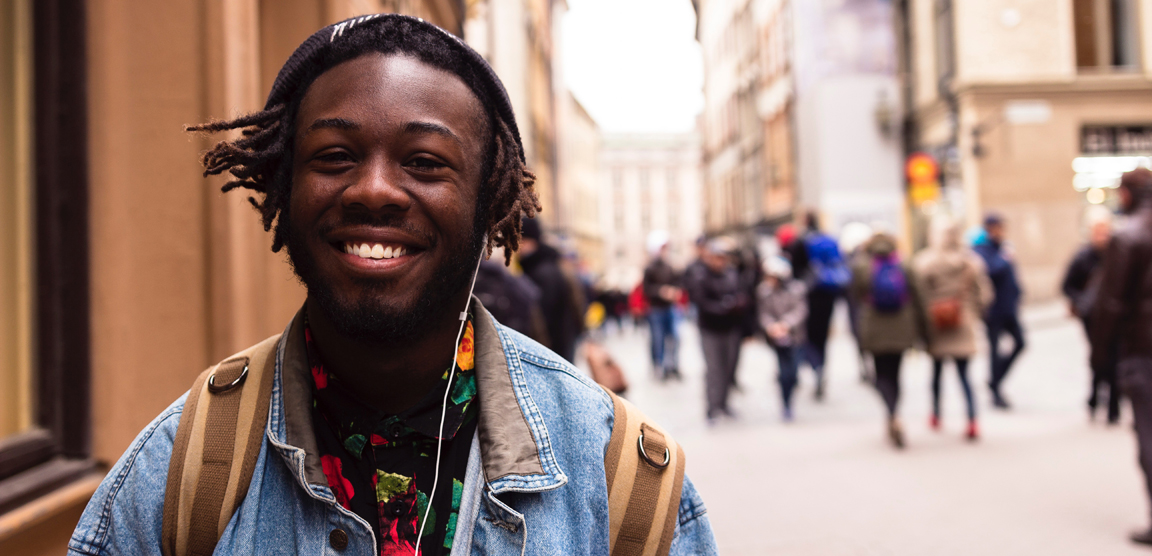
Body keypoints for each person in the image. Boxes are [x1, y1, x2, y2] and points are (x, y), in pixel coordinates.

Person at [68, 15, 716, 556]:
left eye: (424, 163)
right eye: (335, 157)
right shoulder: (178, 479)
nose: (374, 188)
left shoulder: (624, 486)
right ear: (283, 188)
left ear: (489, 202)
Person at [1091, 167, 1152, 546]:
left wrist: (1100, 357)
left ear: (1127, 194)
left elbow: (1110, 305)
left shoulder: (1128, 237)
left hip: (1143, 352)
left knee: (1149, 434)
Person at [913, 218, 992, 441]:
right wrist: (971, 313)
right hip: (963, 323)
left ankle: (936, 414)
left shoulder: (926, 262)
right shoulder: (970, 262)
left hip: (936, 324)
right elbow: (984, 295)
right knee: (965, 376)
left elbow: (919, 294)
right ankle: (972, 420)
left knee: (936, 374)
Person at [851, 229, 921, 449]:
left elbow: (855, 299)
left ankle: (891, 414)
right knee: (896, 374)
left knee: (880, 375)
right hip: (901, 328)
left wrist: (857, 333)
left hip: (874, 328)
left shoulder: (862, 265)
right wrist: (924, 332)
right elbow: (918, 297)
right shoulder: (904, 264)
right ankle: (895, 416)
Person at [1063, 209, 1119, 423]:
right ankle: (1095, 399)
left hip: (1114, 315)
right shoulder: (1083, 257)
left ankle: (1113, 407)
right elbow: (1067, 285)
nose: (1102, 235)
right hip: (1092, 317)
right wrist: (1082, 302)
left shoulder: (1118, 253)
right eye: (1098, 230)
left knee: (1113, 358)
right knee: (1099, 358)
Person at [686, 236, 748, 423]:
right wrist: (722, 307)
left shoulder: (732, 274)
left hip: (731, 327)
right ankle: (712, 407)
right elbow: (700, 301)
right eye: (717, 257)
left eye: (724, 257)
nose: (721, 261)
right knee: (714, 369)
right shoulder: (701, 275)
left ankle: (724, 403)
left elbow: (742, 292)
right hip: (710, 328)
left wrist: (736, 304)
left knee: (729, 367)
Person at [973, 212, 1025, 409]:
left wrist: (1019, 293)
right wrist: (1004, 258)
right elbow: (991, 271)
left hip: (1009, 308)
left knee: (1020, 343)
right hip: (993, 310)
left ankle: (995, 380)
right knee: (994, 350)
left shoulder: (1002, 247)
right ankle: (995, 389)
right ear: (990, 228)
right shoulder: (981, 250)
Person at [518, 217, 585, 363]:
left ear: (531, 241)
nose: (518, 247)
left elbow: (544, 317)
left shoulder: (540, 272)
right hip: (564, 343)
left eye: (521, 240)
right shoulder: (552, 263)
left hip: (553, 347)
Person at [800, 212, 849, 400]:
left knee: (810, 336)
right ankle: (821, 369)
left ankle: (815, 367)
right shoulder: (831, 240)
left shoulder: (804, 241)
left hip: (810, 295)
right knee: (822, 336)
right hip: (829, 295)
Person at [757, 257, 808, 422]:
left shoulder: (797, 289)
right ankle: (785, 404)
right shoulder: (764, 291)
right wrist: (771, 326)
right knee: (783, 372)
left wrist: (786, 324)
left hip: (794, 336)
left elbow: (801, 310)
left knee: (793, 372)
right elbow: (763, 313)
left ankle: (790, 397)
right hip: (776, 338)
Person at [642, 232, 682, 380]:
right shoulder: (650, 268)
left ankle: (671, 365)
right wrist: (660, 291)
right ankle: (658, 366)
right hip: (655, 309)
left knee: (674, 338)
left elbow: (678, 283)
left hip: (670, 307)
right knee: (657, 339)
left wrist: (674, 291)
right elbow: (646, 290)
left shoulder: (670, 266)